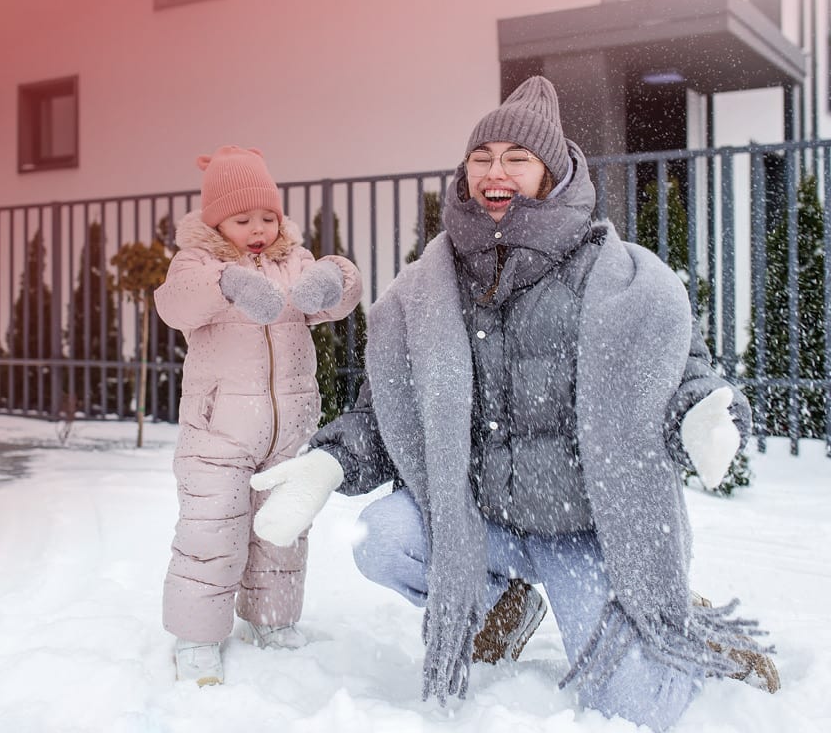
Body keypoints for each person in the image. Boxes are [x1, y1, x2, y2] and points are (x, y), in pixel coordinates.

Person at [246, 77, 778, 730]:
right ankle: (500, 602)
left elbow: (687, 377)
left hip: (584, 533)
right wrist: (329, 460)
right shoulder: (428, 287)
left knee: (637, 706)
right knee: (382, 540)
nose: (495, 171)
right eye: (481, 157)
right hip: (481, 524)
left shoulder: (616, 278)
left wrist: (705, 415)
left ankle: (667, 614)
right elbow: (387, 413)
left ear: (552, 172)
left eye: (516, 158)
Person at [155, 145, 363, 686]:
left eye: (267, 217)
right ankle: (197, 638)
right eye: (243, 219)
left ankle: (272, 621)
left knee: (281, 531)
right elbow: (174, 304)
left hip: (287, 428)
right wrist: (226, 286)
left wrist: (335, 277)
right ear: (216, 220)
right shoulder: (198, 263)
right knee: (211, 531)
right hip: (217, 432)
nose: (258, 229)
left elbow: (335, 297)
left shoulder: (291, 260)